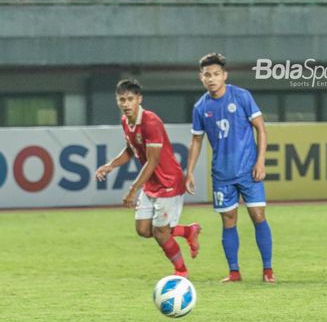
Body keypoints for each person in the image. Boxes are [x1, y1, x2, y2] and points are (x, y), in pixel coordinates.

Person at [95, 79, 201, 277]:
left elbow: (152, 161)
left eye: (130, 99)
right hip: (152, 182)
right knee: (144, 230)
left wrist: (133, 190)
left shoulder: (151, 122)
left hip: (168, 182)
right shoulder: (126, 121)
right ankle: (188, 231)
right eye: (121, 100)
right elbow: (131, 149)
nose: (126, 104)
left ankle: (181, 271)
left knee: (161, 233)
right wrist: (111, 165)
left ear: (139, 99)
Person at [185, 53, 276, 284]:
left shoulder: (242, 96)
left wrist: (260, 161)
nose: (212, 79)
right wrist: (190, 172)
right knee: (228, 220)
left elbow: (261, 128)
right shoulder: (200, 107)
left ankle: (268, 270)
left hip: (248, 171)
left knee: (258, 216)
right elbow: (196, 140)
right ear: (201, 77)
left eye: (216, 74)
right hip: (222, 175)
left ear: (224, 75)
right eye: (207, 75)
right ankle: (234, 272)